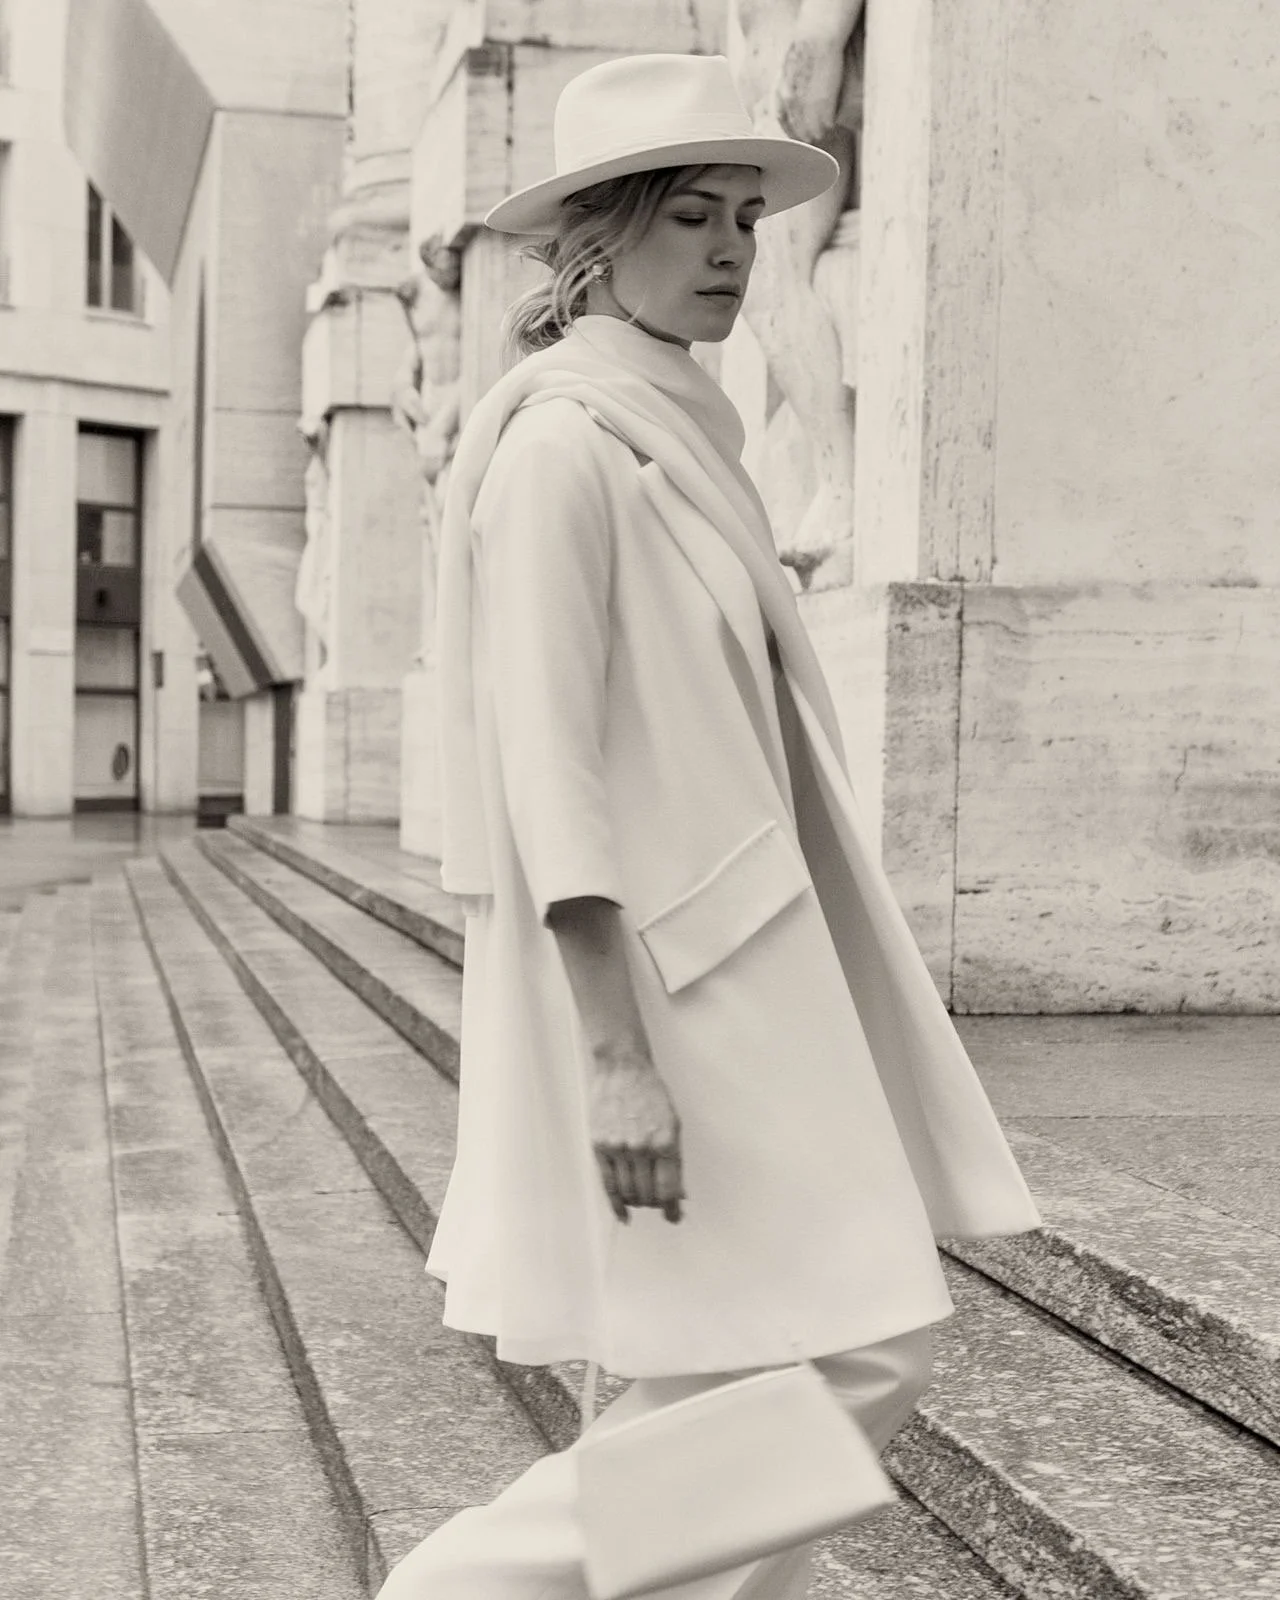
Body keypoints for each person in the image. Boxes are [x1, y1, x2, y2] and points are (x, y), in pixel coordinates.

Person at [377, 52, 1040, 1600]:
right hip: (670, 991)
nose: (738, 250)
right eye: (694, 216)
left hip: (746, 956)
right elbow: (546, 771)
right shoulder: (558, 450)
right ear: (598, 242)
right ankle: (474, 1587)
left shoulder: (673, 427)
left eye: (748, 215)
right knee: (860, 1343)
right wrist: (614, 1059)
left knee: (724, 1367)